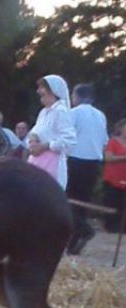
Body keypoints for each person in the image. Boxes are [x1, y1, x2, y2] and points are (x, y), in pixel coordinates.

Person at [65, 83, 109, 255]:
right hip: (93, 163)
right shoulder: (101, 115)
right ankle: (74, 242)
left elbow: (68, 136)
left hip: (76, 161)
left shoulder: (73, 113)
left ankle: (84, 229)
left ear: (77, 96)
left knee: (69, 200)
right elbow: (104, 140)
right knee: (82, 201)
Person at [28, 75, 76, 190]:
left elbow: (69, 141)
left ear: (53, 90)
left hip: (52, 165)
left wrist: (45, 146)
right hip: (36, 163)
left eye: (42, 88)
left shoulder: (61, 111)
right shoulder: (43, 112)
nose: (38, 91)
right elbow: (36, 132)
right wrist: (32, 140)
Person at [102, 118, 126, 233]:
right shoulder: (113, 142)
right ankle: (111, 226)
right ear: (121, 128)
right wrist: (123, 158)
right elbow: (108, 158)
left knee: (122, 204)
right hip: (112, 178)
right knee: (112, 201)